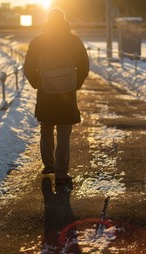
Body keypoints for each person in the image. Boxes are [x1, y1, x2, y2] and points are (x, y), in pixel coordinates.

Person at [24, 7, 89, 186]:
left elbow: (28, 68)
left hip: (46, 94)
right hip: (66, 95)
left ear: (48, 21)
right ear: (64, 20)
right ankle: (61, 173)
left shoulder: (38, 41)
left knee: (46, 129)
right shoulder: (73, 41)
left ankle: (48, 165)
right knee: (63, 133)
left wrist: (40, 83)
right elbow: (84, 66)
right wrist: (74, 85)